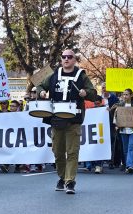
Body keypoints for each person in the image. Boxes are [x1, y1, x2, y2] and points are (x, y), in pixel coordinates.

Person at [37, 49, 97, 194]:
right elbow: (39, 85)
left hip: (73, 120)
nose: (66, 59)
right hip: (56, 119)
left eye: (69, 57)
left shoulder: (81, 75)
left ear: (74, 60)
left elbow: (93, 94)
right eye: (63, 57)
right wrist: (42, 92)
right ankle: (62, 177)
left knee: (72, 152)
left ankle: (70, 181)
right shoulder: (53, 74)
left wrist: (85, 93)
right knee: (57, 152)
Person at [113, 89, 133, 174]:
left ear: (131, 95)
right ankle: (128, 165)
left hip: (132, 130)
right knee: (125, 149)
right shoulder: (120, 105)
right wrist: (116, 124)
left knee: (131, 147)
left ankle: (130, 166)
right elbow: (116, 116)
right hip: (123, 130)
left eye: (126, 94)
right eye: (124, 94)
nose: (125, 96)